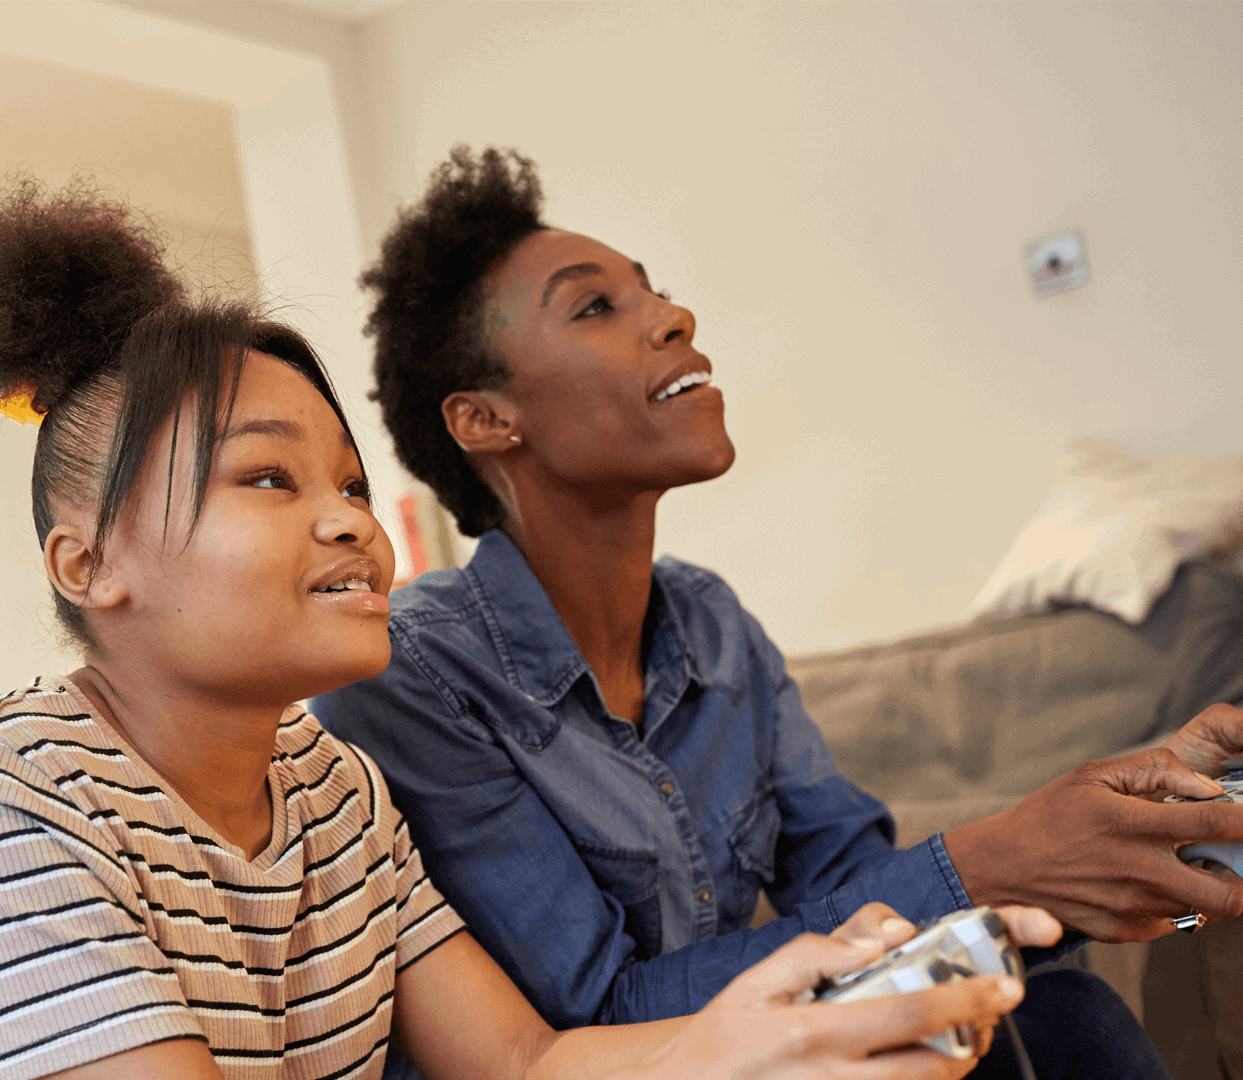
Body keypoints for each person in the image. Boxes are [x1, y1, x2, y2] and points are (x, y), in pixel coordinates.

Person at [0, 177, 1042, 1080]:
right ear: (90, 566)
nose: (350, 525)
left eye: (347, 485)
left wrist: (753, 1033)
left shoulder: (336, 794)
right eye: (271, 483)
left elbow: (528, 1060)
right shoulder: (2, 798)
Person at [310, 146, 1243, 1080]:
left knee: (1051, 1012)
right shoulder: (410, 673)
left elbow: (850, 888)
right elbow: (594, 1014)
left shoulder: (713, 625)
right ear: (485, 419)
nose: (675, 317)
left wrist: (1113, 849)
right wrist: (993, 863)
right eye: (596, 306)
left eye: (654, 291)